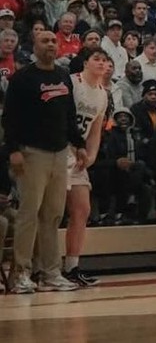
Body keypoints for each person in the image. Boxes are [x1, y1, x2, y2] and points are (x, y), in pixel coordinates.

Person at [1, 29, 88, 293]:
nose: (50, 44)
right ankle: (20, 273)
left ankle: (50, 272)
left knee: (53, 215)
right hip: (32, 153)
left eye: (53, 41)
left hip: (60, 153)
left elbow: (69, 115)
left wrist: (80, 144)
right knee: (29, 214)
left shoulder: (63, 77)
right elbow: (10, 118)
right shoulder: (22, 78)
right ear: (34, 46)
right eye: (44, 41)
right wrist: (13, 150)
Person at [62, 46, 110, 286]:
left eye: (104, 60)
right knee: (50, 212)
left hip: (79, 156)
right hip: (60, 150)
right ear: (85, 62)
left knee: (82, 209)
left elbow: (95, 130)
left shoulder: (103, 93)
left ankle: (72, 266)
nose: (102, 63)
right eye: (97, 59)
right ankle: (40, 267)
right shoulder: (72, 83)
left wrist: (91, 156)